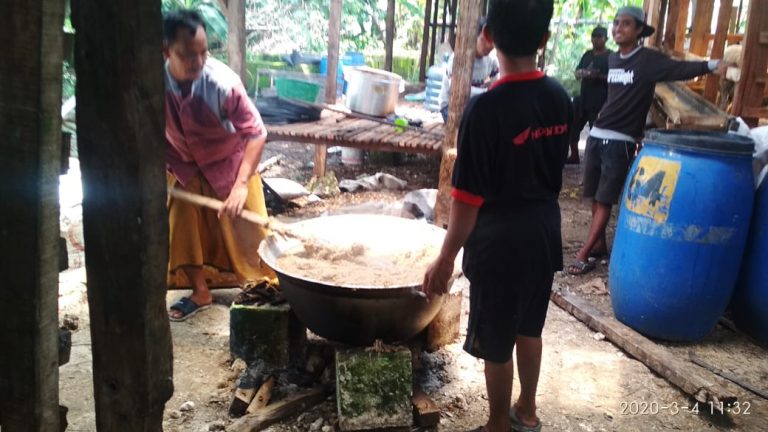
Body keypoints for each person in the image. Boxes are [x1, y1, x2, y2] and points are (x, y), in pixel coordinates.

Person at [422, 1, 570, 431]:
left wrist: (445, 258)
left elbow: (467, 201)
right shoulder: (560, 98)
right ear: (543, 40)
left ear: (487, 36)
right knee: (530, 326)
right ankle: (526, 410)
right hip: (543, 232)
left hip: (500, 241)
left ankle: (496, 425)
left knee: (496, 343)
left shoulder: (485, 110)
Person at [568, 6, 730, 275]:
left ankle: (583, 253)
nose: (618, 28)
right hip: (597, 134)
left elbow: (681, 69)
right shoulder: (612, 60)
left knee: (606, 199)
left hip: (620, 140)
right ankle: (599, 245)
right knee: (595, 196)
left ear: (639, 30)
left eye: (626, 24)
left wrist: (714, 65)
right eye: (616, 23)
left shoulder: (647, 60)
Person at [163, 10, 277, 321]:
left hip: (230, 164)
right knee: (182, 223)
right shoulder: (151, 83)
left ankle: (263, 288)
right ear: (166, 52)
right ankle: (200, 291)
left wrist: (241, 185)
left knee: (255, 243)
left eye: (203, 53)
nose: (197, 62)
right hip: (183, 165)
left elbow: (257, 133)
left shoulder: (222, 84)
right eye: (187, 55)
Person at [438, 17, 500, 122]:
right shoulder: (458, 59)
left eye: (492, 41)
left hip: (473, 106)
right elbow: (457, 91)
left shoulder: (492, 61)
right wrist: (487, 92)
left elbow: (496, 85)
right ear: (474, 37)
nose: (489, 45)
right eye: (483, 40)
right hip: (449, 106)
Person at [568, 26, 611, 164]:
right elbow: (577, 71)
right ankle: (574, 156)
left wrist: (598, 76)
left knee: (596, 133)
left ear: (606, 39)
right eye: (594, 36)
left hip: (599, 102)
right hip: (583, 99)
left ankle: (594, 162)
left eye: (599, 36)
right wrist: (580, 73)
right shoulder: (587, 54)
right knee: (573, 128)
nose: (596, 39)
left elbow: (615, 78)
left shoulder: (611, 56)